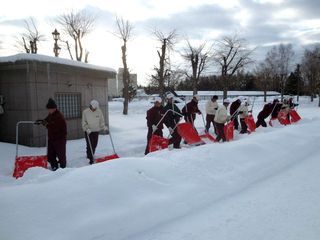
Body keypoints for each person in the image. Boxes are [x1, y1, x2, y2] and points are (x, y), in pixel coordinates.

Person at [35, 98, 67, 171]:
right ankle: (54, 166)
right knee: (50, 155)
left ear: (54, 108)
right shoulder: (51, 114)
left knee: (61, 155)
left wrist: (46, 125)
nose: (49, 111)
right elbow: (46, 120)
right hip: (52, 138)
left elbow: (55, 128)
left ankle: (63, 169)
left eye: (50, 109)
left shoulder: (59, 117)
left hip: (60, 139)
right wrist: (41, 121)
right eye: (48, 109)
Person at [82, 99, 108, 164]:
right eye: (93, 108)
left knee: (94, 145)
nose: (94, 109)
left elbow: (101, 121)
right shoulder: (85, 112)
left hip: (96, 131)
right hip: (88, 131)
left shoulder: (99, 111)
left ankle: (90, 155)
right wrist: (87, 129)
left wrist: (104, 127)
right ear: (90, 106)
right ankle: (91, 158)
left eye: (95, 108)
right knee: (90, 144)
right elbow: (84, 122)